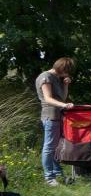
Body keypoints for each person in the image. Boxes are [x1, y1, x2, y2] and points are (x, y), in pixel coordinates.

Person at [35, 57, 76, 186]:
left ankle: (57, 172)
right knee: (49, 147)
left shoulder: (57, 78)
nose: (67, 74)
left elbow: (62, 97)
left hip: (58, 116)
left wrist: (65, 85)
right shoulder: (46, 77)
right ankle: (49, 177)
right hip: (50, 116)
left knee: (55, 147)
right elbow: (48, 98)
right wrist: (64, 105)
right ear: (62, 68)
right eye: (67, 71)